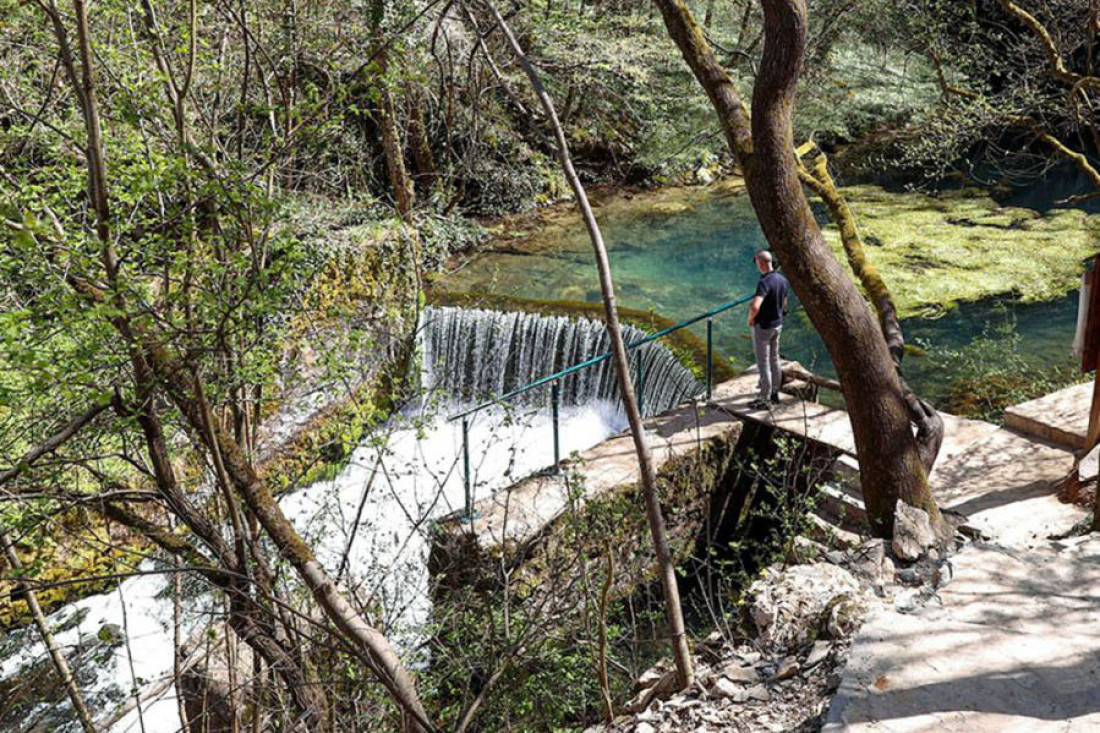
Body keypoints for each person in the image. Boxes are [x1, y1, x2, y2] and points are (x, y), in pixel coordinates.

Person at [747, 250, 789, 410]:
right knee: (774, 358)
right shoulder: (782, 280)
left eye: (757, 263)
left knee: (762, 363)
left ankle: (764, 399)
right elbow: (784, 303)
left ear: (761, 263)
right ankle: (775, 393)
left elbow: (756, 305)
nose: (757, 266)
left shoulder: (764, 282)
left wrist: (751, 318)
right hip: (777, 325)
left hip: (764, 327)